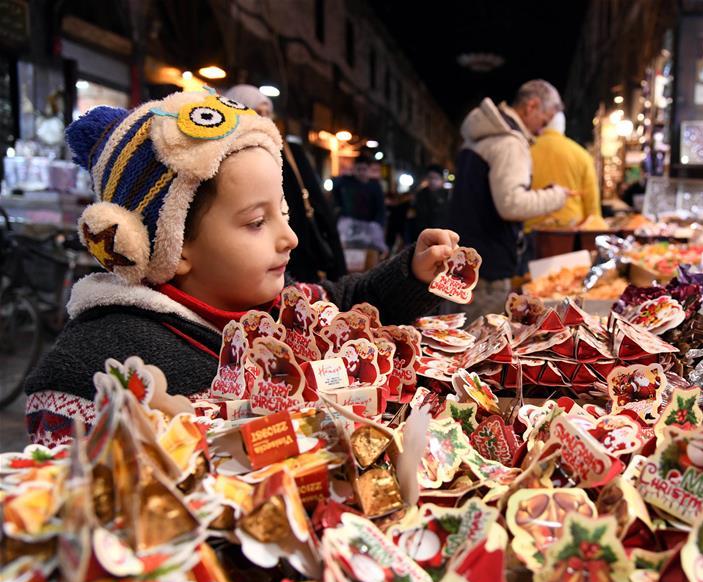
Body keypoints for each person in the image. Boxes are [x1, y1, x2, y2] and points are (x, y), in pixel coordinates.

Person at [24, 90, 457, 446]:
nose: (290, 238)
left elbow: (344, 303)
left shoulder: (270, 307)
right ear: (169, 246)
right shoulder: (95, 365)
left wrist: (413, 272)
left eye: (284, 212)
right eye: (256, 222)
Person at [449, 79, 571, 318]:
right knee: (479, 340)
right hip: (488, 266)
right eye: (544, 121)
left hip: (466, 260)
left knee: (461, 331)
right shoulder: (509, 142)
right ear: (532, 106)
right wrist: (556, 196)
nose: (541, 130)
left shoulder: (482, 138)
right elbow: (511, 205)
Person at [224, 84, 346, 282]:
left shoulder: (291, 152)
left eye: (267, 112)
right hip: (255, 267)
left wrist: (340, 272)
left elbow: (321, 208)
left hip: (302, 257)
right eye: (256, 111)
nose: (264, 118)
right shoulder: (227, 160)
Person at [527, 111, 603, 232]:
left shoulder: (526, 150)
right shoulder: (581, 154)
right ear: (562, 126)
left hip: (531, 232)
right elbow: (593, 211)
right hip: (571, 234)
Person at [333, 153, 388, 253]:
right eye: (359, 169)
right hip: (349, 225)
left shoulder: (375, 185)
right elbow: (335, 193)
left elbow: (381, 208)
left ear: (369, 170)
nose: (361, 172)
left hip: (370, 226)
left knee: (371, 255)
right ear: (354, 169)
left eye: (364, 169)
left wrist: (378, 224)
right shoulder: (345, 182)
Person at [411, 164, 450, 239]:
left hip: (444, 236)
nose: (432, 181)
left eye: (436, 178)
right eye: (430, 178)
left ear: (441, 180)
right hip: (423, 236)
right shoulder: (421, 195)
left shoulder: (448, 195)